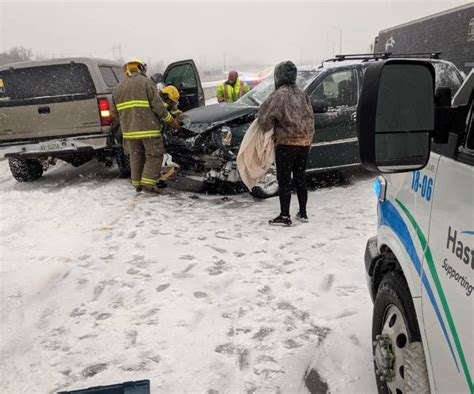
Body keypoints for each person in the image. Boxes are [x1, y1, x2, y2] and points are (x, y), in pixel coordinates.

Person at [258, 61, 315, 226]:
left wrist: (265, 125)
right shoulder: (303, 94)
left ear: (278, 76)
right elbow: (311, 118)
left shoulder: (279, 95)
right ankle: (303, 213)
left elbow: (266, 120)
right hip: (304, 143)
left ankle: (284, 216)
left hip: (286, 143)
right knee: (300, 177)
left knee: (284, 180)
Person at [112, 58, 180, 194]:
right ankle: (149, 185)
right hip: (148, 129)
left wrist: (127, 123)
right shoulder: (146, 83)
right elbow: (159, 107)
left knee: (136, 156)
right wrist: (171, 121)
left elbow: (114, 114)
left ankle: (137, 184)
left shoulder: (117, 88)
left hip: (129, 132)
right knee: (154, 155)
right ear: (141, 68)